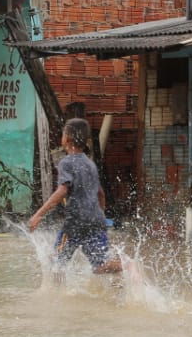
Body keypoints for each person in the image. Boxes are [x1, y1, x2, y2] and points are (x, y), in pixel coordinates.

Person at [28, 117, 122, 274]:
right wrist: (99, 216)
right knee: (100, 266)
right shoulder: (90, 164)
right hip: (95, 223)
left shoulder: (66, 162)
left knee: (57, 265)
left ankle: (56, 290)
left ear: (66, 138)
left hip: (74, 224)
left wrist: (38, 214)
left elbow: (62, 191)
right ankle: (127, 265)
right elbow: (101, 194)